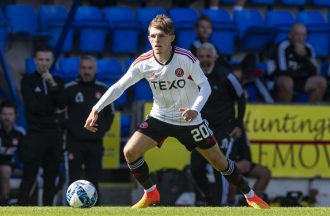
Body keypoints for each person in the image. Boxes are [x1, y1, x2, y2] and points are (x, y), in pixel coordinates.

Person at [84, 14, 269, 209]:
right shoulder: (143, 62)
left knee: (220, 162)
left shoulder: (185, 58)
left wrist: (194, 110)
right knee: (130, 151)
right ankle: (150, 193)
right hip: (160, 117)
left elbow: (204, 87)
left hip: (189, 120)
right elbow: (119, 86)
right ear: (148, 38)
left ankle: (250, 195)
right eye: (153, 36)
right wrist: (96, 108)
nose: (157, 41)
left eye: (161, 36)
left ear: (171, 37)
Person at [190, 42, 246, 206]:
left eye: (208, 56)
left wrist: (238, 124)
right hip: (200, 128)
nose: (205, 60)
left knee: (220, 167)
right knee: (196, 168)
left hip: (224, 128)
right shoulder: (192, 76)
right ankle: (208, 196)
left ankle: (219, 206)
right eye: (201, 56)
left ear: (215, 57)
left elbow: (241, 98)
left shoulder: (227, 76)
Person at [18, 46, 65, 206]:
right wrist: (54, 109)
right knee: (29, 174)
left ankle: (47, 209)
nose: (44, 63)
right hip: (35, 133)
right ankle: (22, 207)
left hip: (54, 134)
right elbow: (34, 107)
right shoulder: (27, 81)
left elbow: (63, 103)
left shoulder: (57, 81)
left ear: (52, 61)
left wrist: (52, 84)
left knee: (51, 176)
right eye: (40, 60)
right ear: (34, 61)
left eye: (47, 60)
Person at [64, 55, 114, 196]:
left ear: (95, 70)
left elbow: (110, 115)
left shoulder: (104, 89)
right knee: (73, 181)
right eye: (84, 68)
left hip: (96, 143)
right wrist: (74, 130)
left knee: (94, 181)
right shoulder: (69, 89)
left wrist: (99, 132)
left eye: (90, 68)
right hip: (74, 143)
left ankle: (95, 209)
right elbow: (61, 113)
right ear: (79, 69)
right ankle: (71, 210)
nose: (87, 71)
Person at [274, 23, 327, 102]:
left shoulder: (308, 48)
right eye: (297, 35)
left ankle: (309, 112)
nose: (300, 38)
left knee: (321, 82)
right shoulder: (283, 46)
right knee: (287, 82)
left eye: (303, 35)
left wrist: (303, 57)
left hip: (301, 80)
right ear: (290, 35)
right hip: (284, 79)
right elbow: (282, 71)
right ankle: (286, 111)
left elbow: (314, 71)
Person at [228, 133, 271, 205]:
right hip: (225, 163)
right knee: (233, 172)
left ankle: (254, 201)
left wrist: (246, 161)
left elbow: (246, 151)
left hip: (240, 163)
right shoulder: (221, 128)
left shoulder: (240, 128)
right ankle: (230, 203)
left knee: (265, 173)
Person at [0, 101, 25, 205]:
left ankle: (22, 201)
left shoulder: (20, 133)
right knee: (5, 169)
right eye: (4, 114)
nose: (7, 117)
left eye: (10, 114)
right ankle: (6, 200)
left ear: (16, 116)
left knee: (32, 171)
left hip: (13, 165)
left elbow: (24, 154)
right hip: (2, 165)